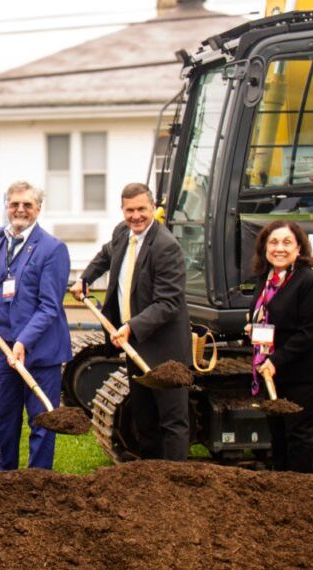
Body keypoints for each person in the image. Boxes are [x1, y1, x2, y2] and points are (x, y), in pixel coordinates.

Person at [69, 182, 191, 461]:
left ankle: (175, 481)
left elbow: (168, 302)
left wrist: (132, 326)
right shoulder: (123, 233)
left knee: (171, 421)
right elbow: (105, 254)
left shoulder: (165, 247)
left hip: (164, 349)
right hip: (135, 344)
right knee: (144, 416)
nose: (136, 216)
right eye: (129, 210)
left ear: (153, 209)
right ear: (122, 210)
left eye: (141, 209)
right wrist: (85, 278)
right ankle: (149, 476)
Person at [0, 182, 71, 470]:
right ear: (7, 206)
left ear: (38, 209)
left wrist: (22, 342)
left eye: (27, 205)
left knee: (42, 422)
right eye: (14, 204)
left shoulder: (52, 249)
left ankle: (39, 484)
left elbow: (50, 307)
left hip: (40, 353)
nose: (20, 210)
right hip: (4, 347)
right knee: (5, 420)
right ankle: (6, 480)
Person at [247, 220, 313, 473]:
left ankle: (300, 497)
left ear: (299, 249)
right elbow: (269, 315)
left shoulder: (307, 281)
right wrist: (253, 327)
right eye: (273, 242)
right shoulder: (266, 278)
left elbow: (310, 332)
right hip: (272, 372)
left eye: (286, 242)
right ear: (264, 248)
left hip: (302, 373)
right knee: (279, 437)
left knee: (298, 438)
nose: (279, 248)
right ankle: (281, 493)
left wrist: (276, 361)